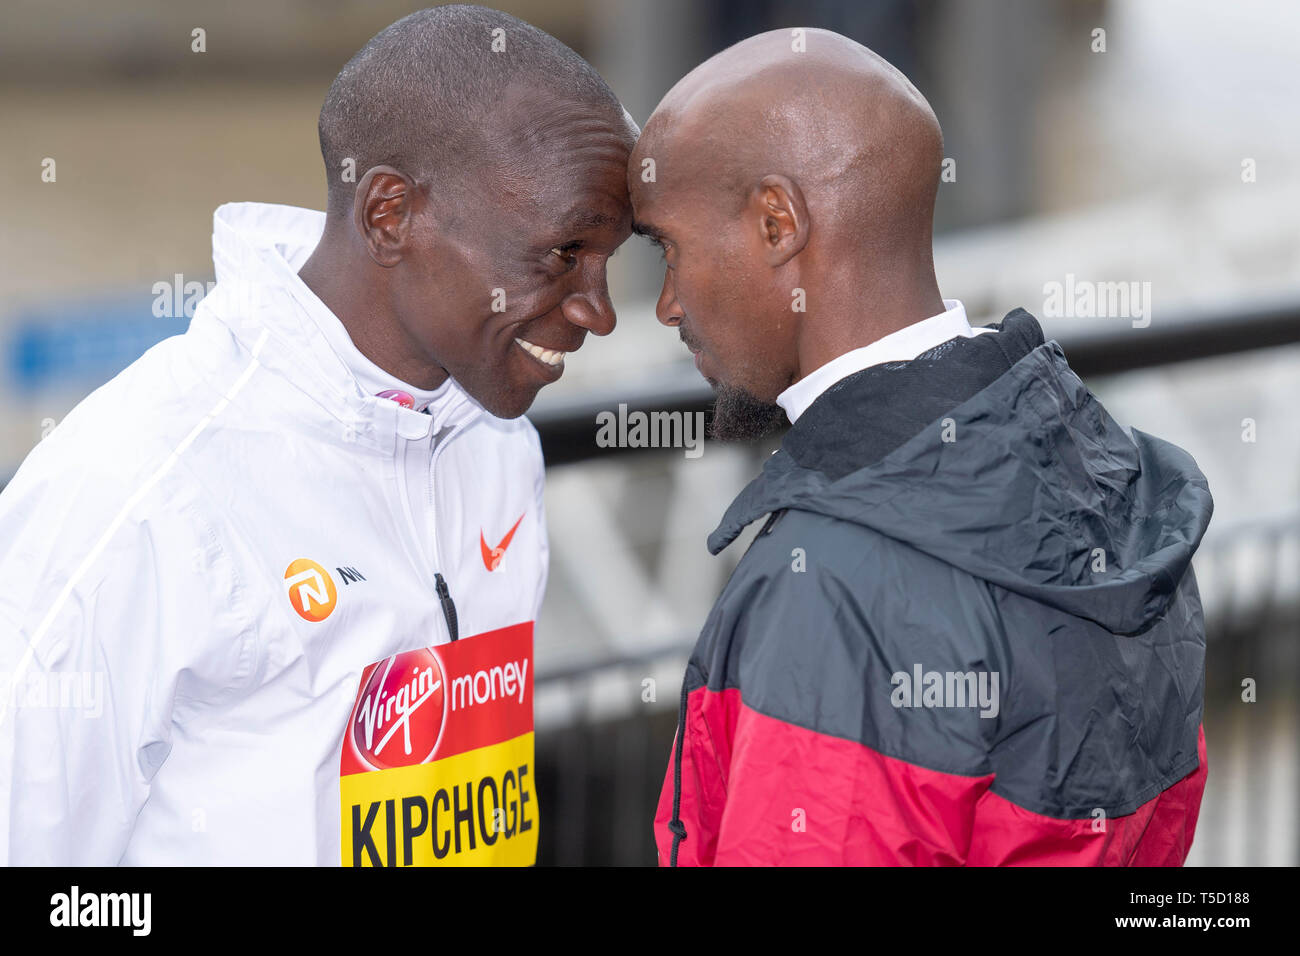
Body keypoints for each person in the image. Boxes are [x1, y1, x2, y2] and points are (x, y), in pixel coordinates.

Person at [0, 5, 636, 865]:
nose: (600, 311)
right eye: (561, 253)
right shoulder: (134, 495)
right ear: (389, 215)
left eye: (612, 259)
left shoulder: (496, 439)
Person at [630, 28, 1212, 866]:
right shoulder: (1114, 481)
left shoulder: (836, 589)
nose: (668, 304)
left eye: (671, 251)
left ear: (776, 223)